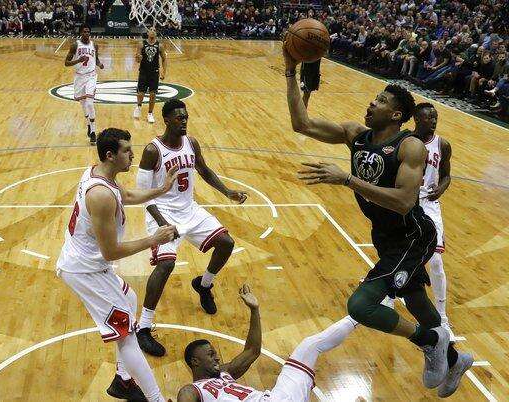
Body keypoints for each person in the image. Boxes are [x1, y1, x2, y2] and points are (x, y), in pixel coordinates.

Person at [283, 45, 472, 397]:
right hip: (385, 235)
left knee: (361, 306)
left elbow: (403, 202)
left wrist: (347, 179)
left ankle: (429, 341)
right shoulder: (356, 135)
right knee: (415, 299)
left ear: (396, 114)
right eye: (374, 98)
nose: (371, 103)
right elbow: (301, 123)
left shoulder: (409, 146)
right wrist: (291, 70)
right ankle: (455, 359)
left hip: (413, 234)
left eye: (381, 101)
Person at [56, 128, 179, 401]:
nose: (133, 154)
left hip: (88, 264)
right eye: (127, 150)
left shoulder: (99, 174)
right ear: (110, 155)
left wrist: (161, 189)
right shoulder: (100, 195)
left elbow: (129, 197)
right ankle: (156, 399)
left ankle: (123, 380)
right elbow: (111, 252)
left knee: (130, 298)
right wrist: (154, 239)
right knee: (125, 335)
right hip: (84, 271)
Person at [135, 99, 248, 357]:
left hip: (190, 210)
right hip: (162, 212)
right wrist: (163, 223)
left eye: (186, 116)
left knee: (226, 243)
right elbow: (143, 195)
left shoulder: (191, 143)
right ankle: (143, 328)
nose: (184, 121)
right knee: (166, 264)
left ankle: (204, 285)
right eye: (179, 117)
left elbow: (205, 171)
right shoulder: (153, 150)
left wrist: (227, 192)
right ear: (166, 120)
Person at [176, 284, 357, 401]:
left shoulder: (225, 372)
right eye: (210, 354)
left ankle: (361, 313)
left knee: (309, 346)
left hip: (277, 398)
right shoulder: (192, 390)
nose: (217, 358)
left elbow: (252, 351)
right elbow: (185, 396)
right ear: (195, 361)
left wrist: (254, 310)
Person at [413, 103, 455, 340]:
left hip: (430, 204)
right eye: (429, 117)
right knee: (399, 251)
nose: (434, 120)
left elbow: (447, 175)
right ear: (417, 119)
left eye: (435, 117)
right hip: (407, 200)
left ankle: (442, 315)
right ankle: (389, 294)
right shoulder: (406, 140)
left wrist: (441, 188)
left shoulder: (443, 144)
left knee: (436, 261)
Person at [64, 24, 104, 145]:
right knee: (83, 105)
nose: (86, 33)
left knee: (90, 103)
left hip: (91, 76)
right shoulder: (75, 45)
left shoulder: (94, 45)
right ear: (81, 33)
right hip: (79, 77)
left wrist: (100, 64)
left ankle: (93, 132)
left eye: (88, 32)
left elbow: (96, 59)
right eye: (84, 32)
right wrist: (78, 60)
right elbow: (66, 62)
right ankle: (88, 124)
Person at [134, 27, 167, 123]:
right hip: (143, 71)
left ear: (156, 33)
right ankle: (139, 106)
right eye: (150, 30)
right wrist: (138, 58)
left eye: (154, 30)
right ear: (147, 32)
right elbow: (137, 59)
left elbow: (164, 59)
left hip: (154, 72)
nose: (152, 31)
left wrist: (163, 72)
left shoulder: (160, 46)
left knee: (153, 94)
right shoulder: (141, 44)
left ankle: (150, 113)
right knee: (141, 93)